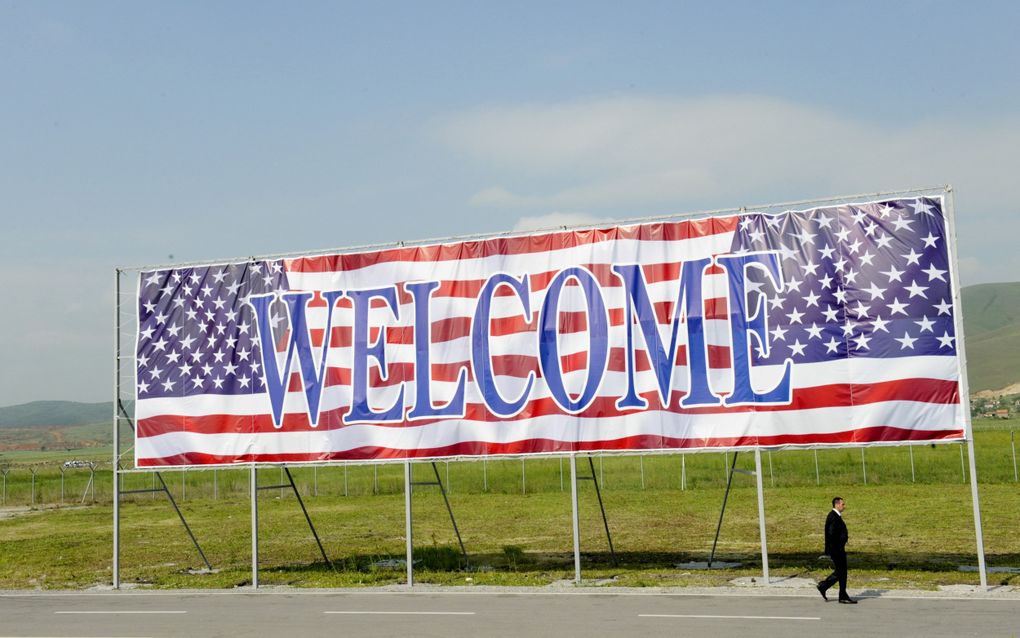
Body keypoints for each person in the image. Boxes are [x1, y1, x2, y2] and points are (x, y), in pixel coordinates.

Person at [817, 496, 856, 604]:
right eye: (843, 504)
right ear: (837, 504)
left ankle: (825, 587)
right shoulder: (833, 516)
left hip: (838, 549)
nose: (844, 506)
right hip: (837, 550)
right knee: (842, 572)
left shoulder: (835, 516)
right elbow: (831, 534)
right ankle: (840, 595)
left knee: (841, 572)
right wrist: (838, 547)